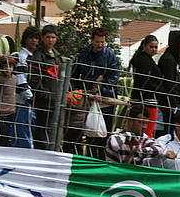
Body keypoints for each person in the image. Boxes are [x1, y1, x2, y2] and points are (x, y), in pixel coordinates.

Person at [73, 28, 120, 159]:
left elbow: (114, 76)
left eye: (102, 42)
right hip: (86, 96)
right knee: (87, 130)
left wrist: (101, 86)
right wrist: (81, 88)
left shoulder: (109, 54)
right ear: (92, 40)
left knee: (103, 131)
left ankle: (101, 158)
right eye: (97, 42)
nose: (100, 45)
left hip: (105, 98)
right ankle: (87, 157)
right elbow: (76, 73)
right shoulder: (83, 53)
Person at [31, 25, 62, 149]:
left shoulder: (57, 56)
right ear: (42, 38)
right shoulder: (38, 56)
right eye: (48, 37)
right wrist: (47, 95)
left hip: (56, 101)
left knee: (53, 132)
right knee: (42, 134)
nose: (50, 40)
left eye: (53, 37)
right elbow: (35, 81)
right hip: (43, 103)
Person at [128, 35, 163, 138]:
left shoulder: (139, 58)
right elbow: (146, 80)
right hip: (148, 100)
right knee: (147, 131)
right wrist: (157, 88)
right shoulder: (144, 60)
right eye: (151, 47)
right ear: (144, 46)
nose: (153, 49)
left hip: (138, 98)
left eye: (155, 47)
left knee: (135, 130)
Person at [11, 26, 40, 148]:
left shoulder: (34, 56)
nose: (34, 41)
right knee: (23, 132)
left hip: (30, 100)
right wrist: (29, 96)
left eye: (36, 38)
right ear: (25, 39)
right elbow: (20, 77)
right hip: (23, 101)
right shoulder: (21, 56)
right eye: (31, 38)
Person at [156, 30, 180, 135]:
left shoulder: (175, 59)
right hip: (169, 105)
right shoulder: (168, 60)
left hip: (175, 104)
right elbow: (170, 85)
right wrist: (174, 106)